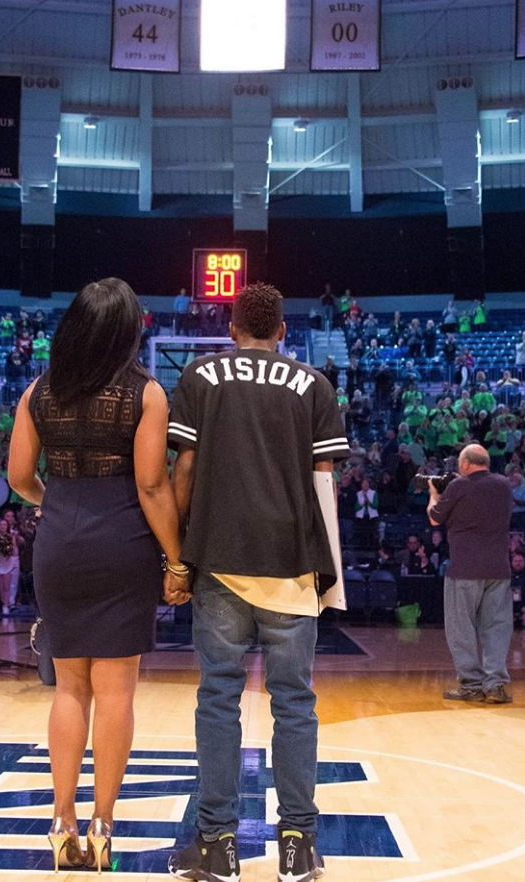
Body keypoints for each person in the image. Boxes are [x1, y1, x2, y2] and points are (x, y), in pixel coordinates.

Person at [167, 283, 349, 882]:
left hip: (219, 557)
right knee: (295, 703)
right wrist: (330, 574)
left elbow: (185, 467)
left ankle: (218, 847)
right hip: (292, 564)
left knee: (218, 698)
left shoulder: (200, 376)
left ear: (232, 328)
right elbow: (325, 484)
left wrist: (176, 553)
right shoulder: (314, 383)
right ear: (283, 330)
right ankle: (298, 845)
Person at [8, 278, 185, 874]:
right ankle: (102, 824)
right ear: (127, 330)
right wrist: (177, 559)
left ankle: (60, 818)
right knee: (116, 693)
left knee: (68, 687)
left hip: (59, 539)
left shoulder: (38, 392)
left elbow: (17, 476)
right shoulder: (146, 394)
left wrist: (51, 503)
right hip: (122, 543)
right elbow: (152, 484)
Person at [428, 444, 514, 703]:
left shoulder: (459, 486)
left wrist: (434, 493)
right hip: (498, 569)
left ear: (465, 465)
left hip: (465, 569)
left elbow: (435, 518)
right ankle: (496, 685)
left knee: (461, 628)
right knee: (496, 628)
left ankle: (471, 685)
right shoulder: (504, 485)